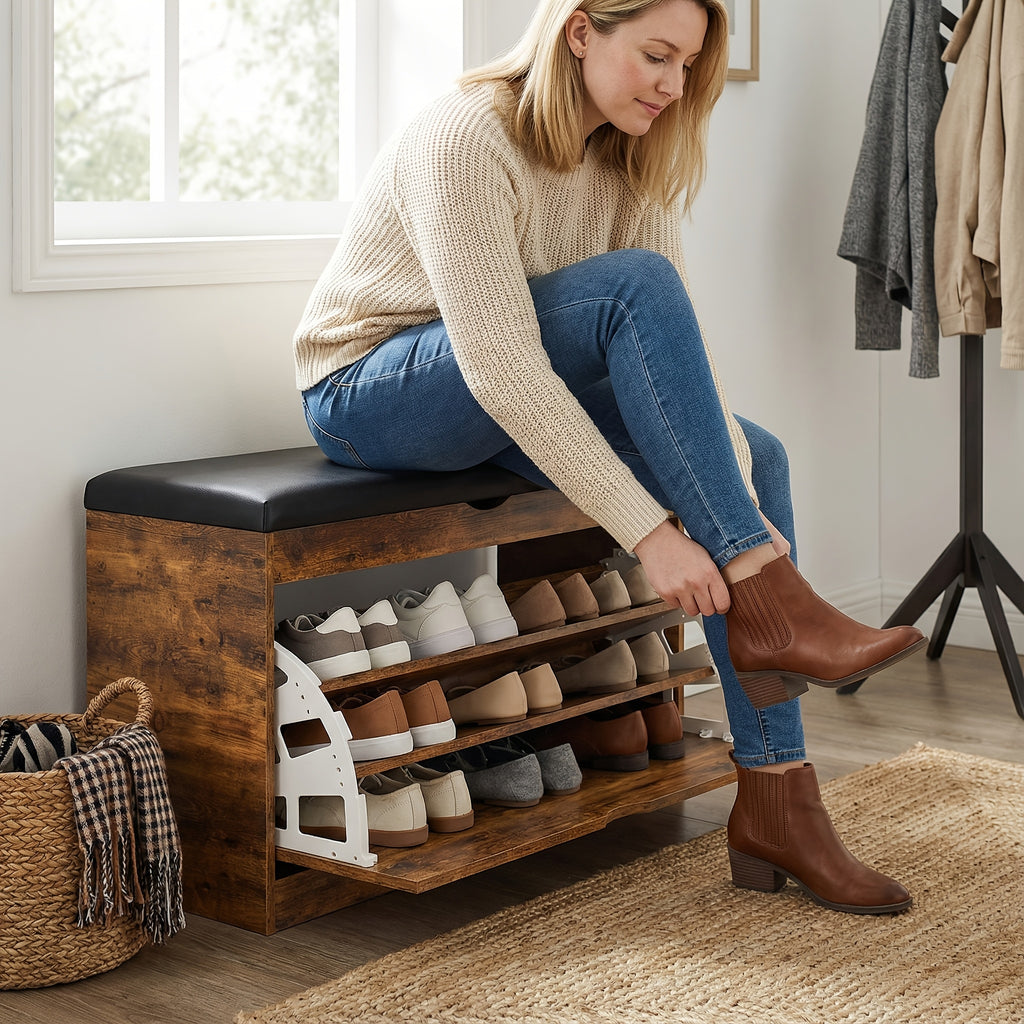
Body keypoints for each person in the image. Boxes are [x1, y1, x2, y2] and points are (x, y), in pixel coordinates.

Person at [293, 0, 924, 914]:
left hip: (506, 382)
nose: (673, 86)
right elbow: (504, 371)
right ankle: (773, 602)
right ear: (581, 30)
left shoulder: (634, 154)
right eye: (656, 55)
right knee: (636, 285)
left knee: (761, 455)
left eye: (687, 66)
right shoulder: (466, 134)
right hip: (373, 393)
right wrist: (653, 535)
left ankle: (779, 798)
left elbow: (673, 364)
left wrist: (724, 497)